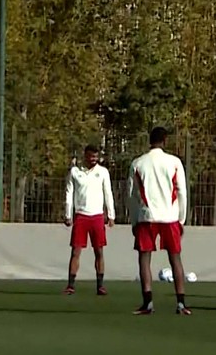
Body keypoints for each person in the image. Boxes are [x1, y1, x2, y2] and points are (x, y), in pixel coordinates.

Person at [129, 127, 190, 316]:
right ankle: (181, 304)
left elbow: (131, 195)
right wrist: (181, 219)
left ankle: (148, 302)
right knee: (175, 258)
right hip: (170, 217)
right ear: (165, 141)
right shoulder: (174, 162)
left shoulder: (138, 163)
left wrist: (134, 220)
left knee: (144, 258)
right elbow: (182, 191)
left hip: (147, 216)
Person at [63, 145, 114, 296]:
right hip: (81, 216)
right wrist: (68, 215)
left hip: (97, 216)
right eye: (91, 156)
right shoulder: (75, 172)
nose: (94, 159)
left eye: (96, 157)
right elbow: (69, 194)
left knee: (99, 251)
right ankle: (71, 285)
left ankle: (100, 285)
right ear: (85, 156)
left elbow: (108, 193)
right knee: (76, 251)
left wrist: (111, 215)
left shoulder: (103, 172)